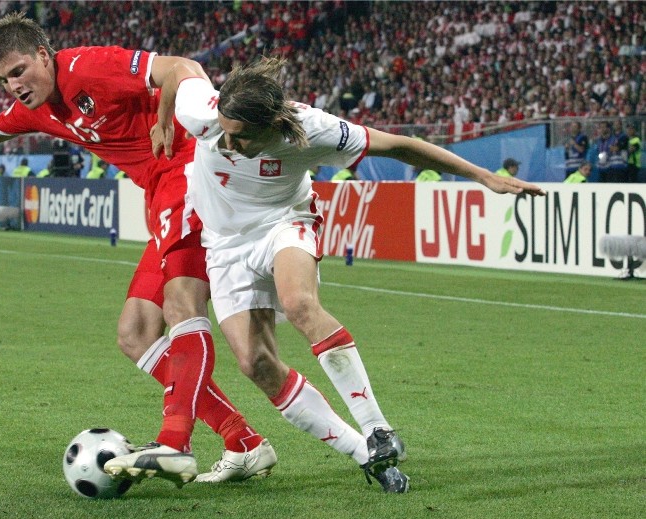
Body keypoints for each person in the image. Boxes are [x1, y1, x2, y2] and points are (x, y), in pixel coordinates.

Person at [0, 12, 275, 487]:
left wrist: (166, 120)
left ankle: (175, 442)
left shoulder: (89, 67)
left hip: (192, 174)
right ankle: (243, 440)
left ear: (44, 57)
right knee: (135, 333)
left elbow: (184, 67)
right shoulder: (35, 110)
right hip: (160, 193)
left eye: (18, 71)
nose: (13, 86)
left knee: (181, 305)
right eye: (3, 79)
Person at [132, 56, 545, 493]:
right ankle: (366, 453)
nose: (227, 144)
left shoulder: (315, 130)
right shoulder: (205, 112)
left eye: (242, 137)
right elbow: (178, 72)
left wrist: (481, 176)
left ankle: (377, 427)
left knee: (300, 303)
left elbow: (399, 145)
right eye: (224, 131)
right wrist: (162, 122)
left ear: (274, 123)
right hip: (223, 244)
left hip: (282, 222)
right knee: (255, 363)